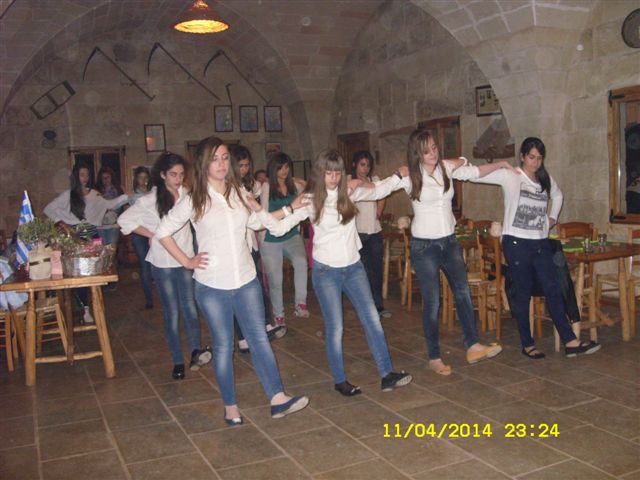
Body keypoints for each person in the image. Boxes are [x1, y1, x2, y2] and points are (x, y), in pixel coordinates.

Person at [155, 136, 309, 424]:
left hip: (246, 279)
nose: (222, 164)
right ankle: (230, 407)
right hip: (213, 285)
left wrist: (292, 208)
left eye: (225, 158)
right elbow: (162, 232)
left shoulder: (239, 192)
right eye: (215, 159)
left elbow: (260, 222)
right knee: (224, 346)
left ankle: (277, 398)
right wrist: (187, 261)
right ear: (203, 163)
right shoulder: (194, 199)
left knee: (259, 339)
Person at [250, 149, 412, 396]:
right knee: (335, 328)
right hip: (326, 272)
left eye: (337, 173)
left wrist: (398, 176)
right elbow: (279, 228)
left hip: (354, 267)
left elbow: (380, 190)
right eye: (329, 173)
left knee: (372, 319)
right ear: (320, 173)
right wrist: (273, 210)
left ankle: (386, 374)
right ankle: (340, 380)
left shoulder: (349, 192)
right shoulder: (310, 199)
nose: (334, 178)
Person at [471, 137, 601, 358]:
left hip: (540, 242)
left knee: (553, 288)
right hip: (516, 242)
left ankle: (570, 341)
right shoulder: (511, 176)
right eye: (531, 157)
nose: (535, 162)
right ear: (523, 156)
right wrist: (500, 164)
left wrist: (552, 219)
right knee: (523, 293)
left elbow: (558, 195)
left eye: (539, 158)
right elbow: (475, 175)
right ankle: (527, 344)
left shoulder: (544, 179)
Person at [401, 129, 509, 376]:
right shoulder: (409, 176)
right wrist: (356, 186)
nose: (433, 153)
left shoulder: (446, 169)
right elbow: (378, 189)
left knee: (462, 292)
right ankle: (434, 356)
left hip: (449, 241)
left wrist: (500, 164)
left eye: (434, 147)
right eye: (426, 150)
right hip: (424, 247)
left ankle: (473, 345)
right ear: (417, 153)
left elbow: (475, 172)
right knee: (433, 301)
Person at [118, 153, 212, 380]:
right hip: (163, 262)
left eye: (181, 174)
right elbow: (124, 221)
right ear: (162, 175)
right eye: (173, 174)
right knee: (172, 312)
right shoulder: (150, 199)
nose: (178, 179)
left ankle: (195, 352)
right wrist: (151, 234)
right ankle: (177, 360)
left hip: (186, 257)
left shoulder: (187, 194)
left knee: (190, 307)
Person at [44, 162, 129, 323]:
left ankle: (96, 304)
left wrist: (126, 196)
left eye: (87, 174)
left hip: (93, 236)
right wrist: (62, 223)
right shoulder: (68, 195)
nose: (85, 178)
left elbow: (110, 204)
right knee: (81, 273)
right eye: (82, 174)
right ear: (76, 176)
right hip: (76, 238)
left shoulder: (95, 194)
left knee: (96, 272)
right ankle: (86, 309)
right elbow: (49, 209)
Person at [229, 144, 286, 353]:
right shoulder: (228, 190)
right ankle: (243, 337)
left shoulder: (246, 186)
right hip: (235, 249)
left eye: (246, 165)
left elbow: (260, 195)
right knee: (238, 295)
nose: (244, 169)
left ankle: (264, 325)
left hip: (249, 245)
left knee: (257, 288)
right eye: (240, 165)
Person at [260, 152, 309, 326]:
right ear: (273, 169)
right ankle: (278, 314)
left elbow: (311, 191)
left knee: (301, 262)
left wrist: (300, 181)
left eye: (287, 167)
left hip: (291, 235)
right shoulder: (267, 187)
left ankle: (300, 304)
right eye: (280, 168)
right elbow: (263, 215)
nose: (284, 171)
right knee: (276, 278)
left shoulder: (294, 185)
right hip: (270, 238)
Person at [350, 150, 390, 318]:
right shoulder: (350, 181)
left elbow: (383, 195)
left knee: (376, 270)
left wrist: (379, 211)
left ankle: (378, 305)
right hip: (357, 232)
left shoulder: (374, 180)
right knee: (363, 271)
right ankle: (365, 305)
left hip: (374, 231)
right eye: (362, 165)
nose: (365, 168)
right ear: (354, 164)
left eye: (368, 165)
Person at [129, 166, 154, 309]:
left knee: (156, 264)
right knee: (145, 266)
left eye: (146, 177)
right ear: (136, 179)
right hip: (140, 234)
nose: (143, 181)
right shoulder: (133, 196)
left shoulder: (154, 192)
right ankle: (149, 299)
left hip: (154, 233)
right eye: (140, 178)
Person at [95, 166, 124, 247]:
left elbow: (120, 207)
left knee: (112, 249)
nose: (106, 180)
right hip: (100, 226)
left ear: (111, 177)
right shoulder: (96, 191)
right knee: (102, 249)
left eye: (108, 177)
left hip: (113, 225)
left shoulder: (118, 190)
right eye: (103, 178)